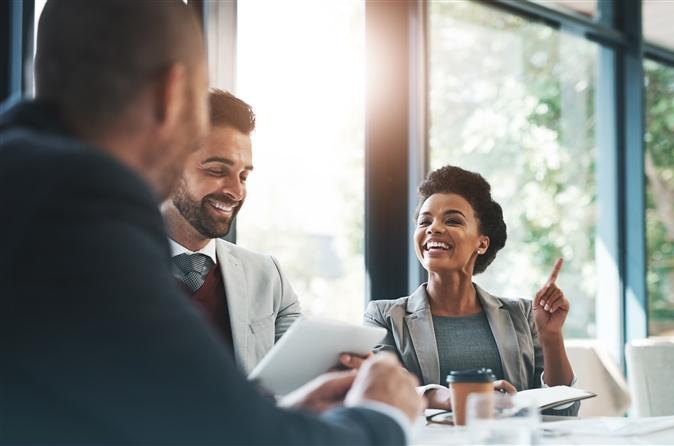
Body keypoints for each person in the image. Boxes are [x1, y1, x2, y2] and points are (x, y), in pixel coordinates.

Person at [0, 1, 422, 444]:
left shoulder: (25, 176)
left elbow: (142, 412)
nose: (235, 190)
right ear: (173, 92)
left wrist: (279, 414)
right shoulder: (78, 201)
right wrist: (381, 417)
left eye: (244, 175)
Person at [365, 165, 579, 415]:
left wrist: (551, 336)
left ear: (482, 242)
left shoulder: (522, 314)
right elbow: (386, 389)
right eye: (425, 221)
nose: (433, 228)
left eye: (452, 220)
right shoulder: (384, 317)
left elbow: (562, 413)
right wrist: (463, 398)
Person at [162, 90, 301, 375]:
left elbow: (301, 378)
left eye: (244, 176)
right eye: (216, 170)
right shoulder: (107, 269)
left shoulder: (268, 276)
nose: (236, 191)